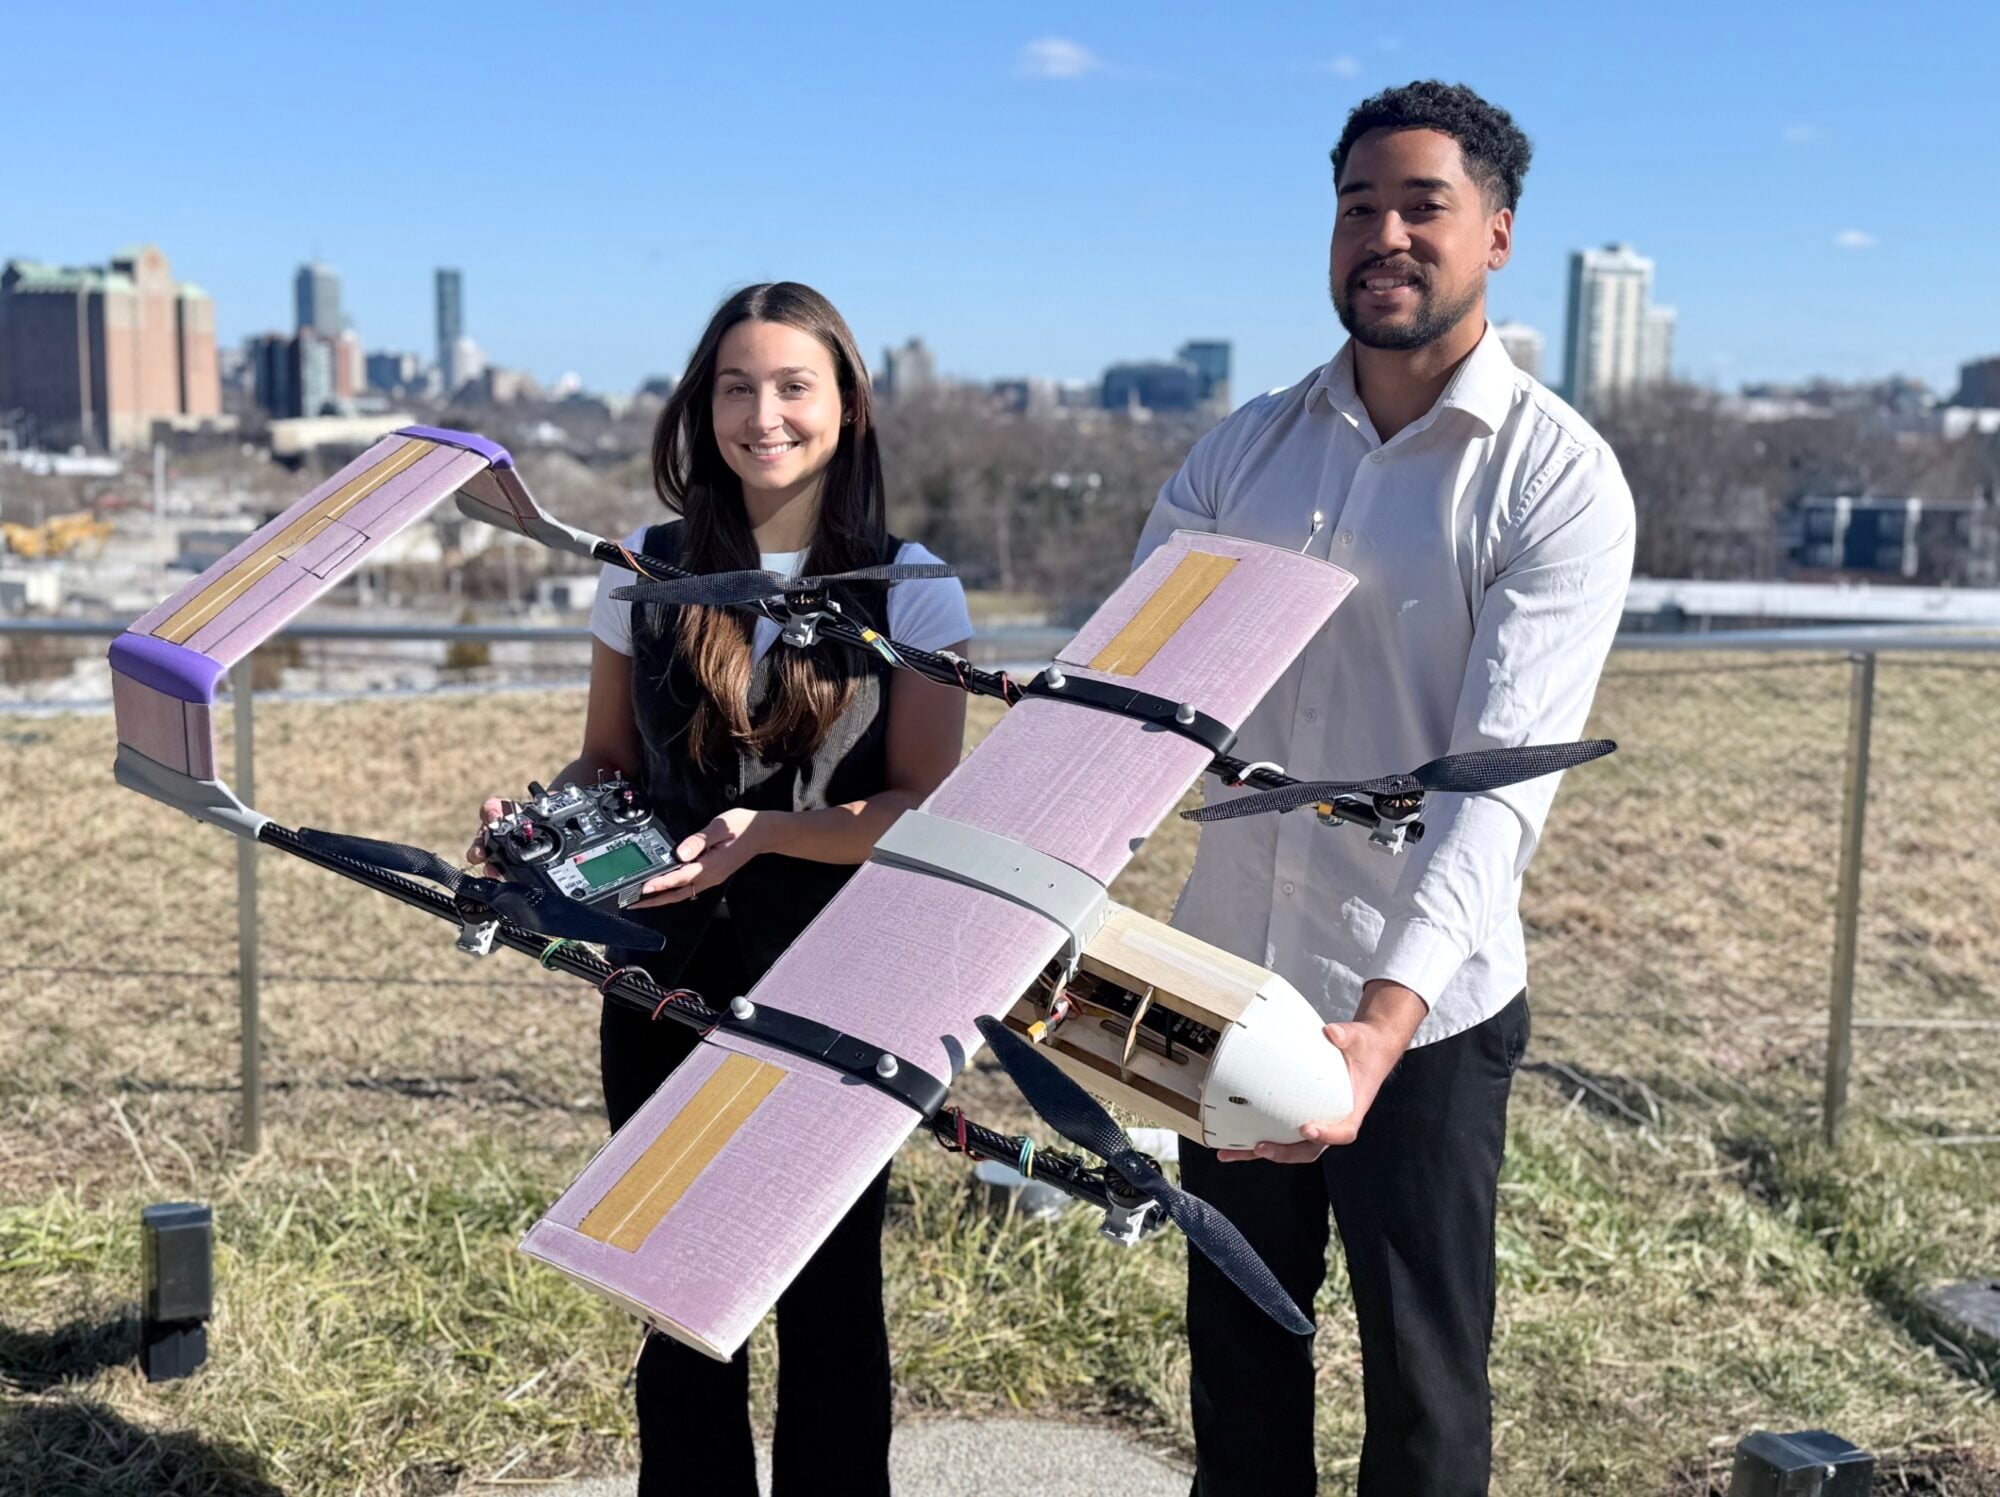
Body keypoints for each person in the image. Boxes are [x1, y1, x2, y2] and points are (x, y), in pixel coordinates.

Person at [1131, 82, 1636, 1496]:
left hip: (1424, 1009)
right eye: (1360, 206)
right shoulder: (1245, 451)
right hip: (1229, 976)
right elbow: (1140, 691)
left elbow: (1498, 792)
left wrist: (1380, 1021)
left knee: (1423, 1387)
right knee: (1234, 1358)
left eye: (1425, 205)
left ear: (1499, 234)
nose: (1387, 234)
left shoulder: (1555, 479)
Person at [469, 282, 971, 1497]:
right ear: (702, 409)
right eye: (735, 387)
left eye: (794, 385)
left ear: (846, 405)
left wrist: (772, 834)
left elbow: (916, 810)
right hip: (659, 980)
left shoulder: (909, 588)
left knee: (832, 1303)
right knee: (677, 1299)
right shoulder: (640, 569)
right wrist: (544, 826)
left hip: (841, 984)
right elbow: (609, 761)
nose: (763, 415)